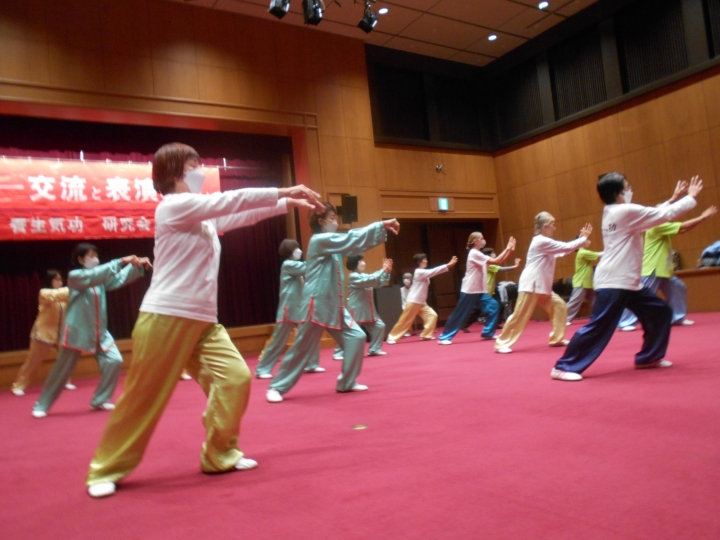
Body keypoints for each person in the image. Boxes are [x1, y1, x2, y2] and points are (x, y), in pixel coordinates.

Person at [85, 142, 322, 498]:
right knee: (143, 397)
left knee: (235, 378)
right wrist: (283, 190)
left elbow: (240, 214)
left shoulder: (201, 217)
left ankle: (219, 454)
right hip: (165, 315)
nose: (200, 170)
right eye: (193, 164)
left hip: (203, 319)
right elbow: (229, 201)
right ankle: (105, 469)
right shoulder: (173, 207)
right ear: (175, 171)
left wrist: (288, 203)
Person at [551, 174, 702, 382]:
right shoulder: (623, 212)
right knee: (599, 327)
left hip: (628, 281)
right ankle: (562, 367)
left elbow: (651, 215)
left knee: (660, 313)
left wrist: (672, 198)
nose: (630, 190)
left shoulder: (615, 211)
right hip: (614, 281)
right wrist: (690, 197)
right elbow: (661, 215)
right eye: (627, 187)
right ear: (618, 192)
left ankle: (648, 358)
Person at [266, 204, 399, 403]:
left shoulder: (331, 244)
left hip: (334, 304)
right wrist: (380, 226)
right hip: (316, 303)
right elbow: (351, 239)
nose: (335, 221)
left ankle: (347, 382)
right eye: (331, 218)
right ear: (321, 222)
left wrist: (379, 229)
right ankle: (276, 387)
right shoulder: (319, 240)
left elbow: (351, 242)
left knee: (356, 336)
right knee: (302, 347)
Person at [31, 245, 149, 418]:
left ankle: (100, 399)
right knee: (62, 371)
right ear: (80, 259)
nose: (95, 258)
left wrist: (136, 266)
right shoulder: (75, 277)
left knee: (114, 360)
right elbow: (95, 275)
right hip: (77, 331)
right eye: (90, 255)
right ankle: (42, 404)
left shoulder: (100, 278)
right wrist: (121, 260)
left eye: (96, 255)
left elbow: (117, 279)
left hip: (99, 331)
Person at [495, 213, 591, 354]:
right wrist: (582, 239)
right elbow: (565, 247)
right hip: (531, 284)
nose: (554, 228)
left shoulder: (545, 242)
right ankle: (501, 343)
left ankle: (557, 338)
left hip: (541, 286)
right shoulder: (540, 241)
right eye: (553, 225)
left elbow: (563, 251)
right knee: (520, 315)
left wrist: (580, 239)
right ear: (545, 226)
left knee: (559, 306)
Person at [617, 205, 717, 331]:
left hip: (662, 269)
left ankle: (676, 317)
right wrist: (703, 217)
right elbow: (683, 227)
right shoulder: (657, 226)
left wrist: (676, 197)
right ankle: (625, 322)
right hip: (652, 269)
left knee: (678, 287)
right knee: (639, 295)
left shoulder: (662, 225)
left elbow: (682, 229)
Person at [255, 239, 322, 378]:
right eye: (296, 248)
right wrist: (318, 257)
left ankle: (311, 364)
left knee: (310, 333)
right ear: (290, 251)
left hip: (299, 308)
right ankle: (262, 369)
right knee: (279, 340)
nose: (299, 251)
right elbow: (307, 268)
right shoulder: (288, 264)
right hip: (288, 309)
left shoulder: (294, 266)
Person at [438, 233, 516, 345]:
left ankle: (488, 333)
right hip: (470, 290)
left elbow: (498, 262)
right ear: (475, 241)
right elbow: (496, 261)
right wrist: (507, 248)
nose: (483, 240)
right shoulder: (474, 253)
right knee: (459, 314)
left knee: (494, 306)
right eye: (481, 238)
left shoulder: (479, 254)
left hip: (480, 290)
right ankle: (444, 337)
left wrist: (510, 251)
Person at [12, 270, 74, 396]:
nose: (60, 282)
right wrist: (75, 286)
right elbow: (59, 294)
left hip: (60, 333)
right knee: (33, 362)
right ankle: (18, 385)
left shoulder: (64, 297)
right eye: (56, 279)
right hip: (43, 334)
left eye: (60, 279)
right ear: (50, 281)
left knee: (65, 359)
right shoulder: (44, 293)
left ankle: (65, 381)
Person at [386, 254, 458, 344]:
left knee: (432, 315)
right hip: (413, 301)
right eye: (424, 259)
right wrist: (447, 265)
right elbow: (433, 271)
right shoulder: (418, 272)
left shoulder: (423, 272)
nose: (426, 261)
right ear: (419, 262)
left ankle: (426, 335)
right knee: (405, 321)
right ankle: (392, 337)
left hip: (421, 302)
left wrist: (447, 266)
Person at [332, 254, 393, 360]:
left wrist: (386, 273)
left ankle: (374, 349)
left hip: (367, 310)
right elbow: (371, 278)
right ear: (355, 264)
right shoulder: (353, 276)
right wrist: (382, 270)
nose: (363, 263)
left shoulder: (363, 276)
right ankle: (338, 352)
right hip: (356, 310)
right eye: (361, 261)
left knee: (379, 326)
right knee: (350, 331)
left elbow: (378, 283)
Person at [461, 249, 521, 332]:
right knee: (477, 310)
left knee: (500, 305)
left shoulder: (490, 264)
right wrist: (515, 266)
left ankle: (495, 323)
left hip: (491, 291)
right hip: (483, 291)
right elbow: (502, 268)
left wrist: (509, 252)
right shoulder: (487, 265)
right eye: (492, 253)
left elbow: (500, 261)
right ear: (488, 256)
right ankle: (464, 324)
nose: (494, 254)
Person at [566, 241, 602, 325]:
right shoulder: (582, 252)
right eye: (586, 240)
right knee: (574, 302)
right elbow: (598, 254)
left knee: (595, 302)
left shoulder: (584, 251)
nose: (589, 241)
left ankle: (600, 317)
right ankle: (563, 319)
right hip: (581, 282)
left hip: (588, 283)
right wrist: (611, 251)